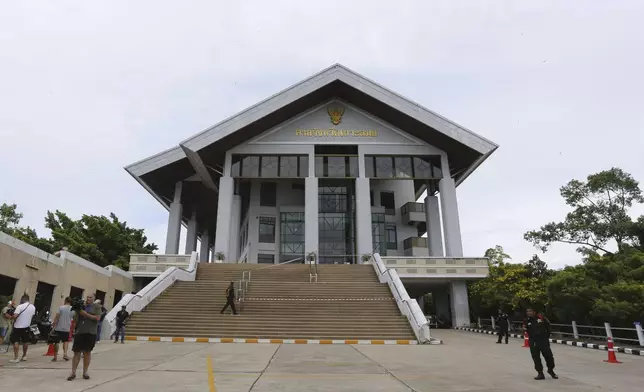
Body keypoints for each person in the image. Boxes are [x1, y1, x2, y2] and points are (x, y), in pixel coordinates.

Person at [68, 293, 101, 381]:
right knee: (76, 352)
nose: (88, 299)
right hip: (80, 331)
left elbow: (97, 318)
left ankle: (85, 372)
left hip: (90, 332)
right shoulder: (81, 306)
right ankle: (73, 372)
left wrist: (85, 314)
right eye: (87, 297)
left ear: (93, 298)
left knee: (87, 352)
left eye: (90, 297)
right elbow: (75, 318)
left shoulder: (96, 307)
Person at [524, 308, 558, 380]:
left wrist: (546, 337)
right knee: (536, 358)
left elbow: (549, 327)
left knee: (549, 357)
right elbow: (525, 330)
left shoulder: (541, 318)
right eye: (527, 311)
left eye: (530, 311)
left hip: (543, 341)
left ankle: (550, 370)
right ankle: (540, 373)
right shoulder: (526, 320)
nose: (528, 313)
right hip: (533, 341)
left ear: (534, 311)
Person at [8, 294, 36, 363]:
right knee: (25, 341)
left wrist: (10, 317)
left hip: (18, 326)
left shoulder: (20, 306)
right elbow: (31, 316)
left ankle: (16, 358)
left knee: (16, 341)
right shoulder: (33, 307)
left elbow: (15, 316)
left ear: (23, 299)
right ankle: (24, 356)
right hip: (26, 326)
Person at [51, 297, 74, 362]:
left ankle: (55, 357)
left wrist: (54, 324)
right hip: (67, 328)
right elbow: (73, 318)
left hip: (58, 327)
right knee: (65, 341)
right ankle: (65, 354)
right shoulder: (72, 309)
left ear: (65, 300)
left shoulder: (61, 307)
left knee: (56, 342)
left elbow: (57, 317)